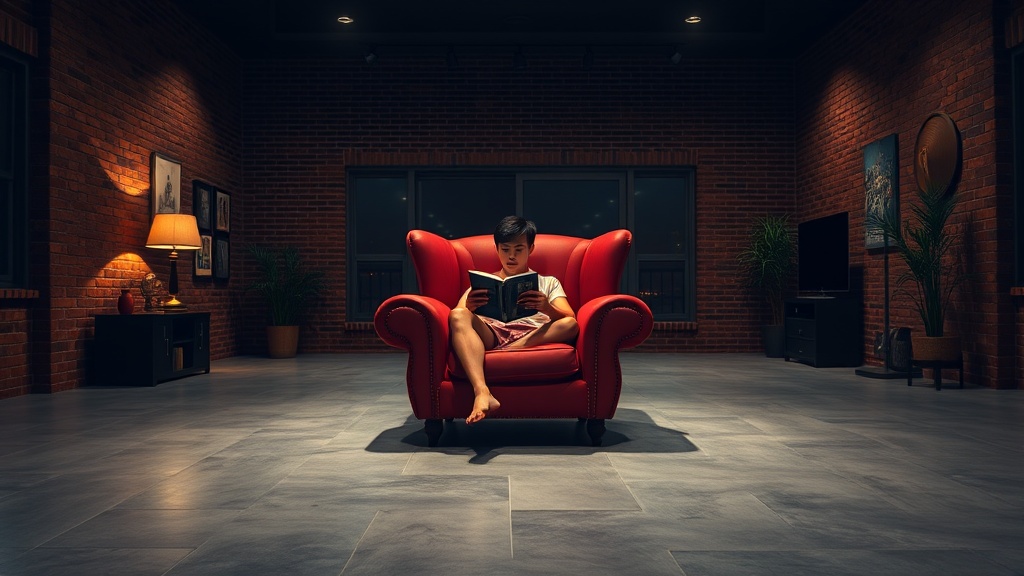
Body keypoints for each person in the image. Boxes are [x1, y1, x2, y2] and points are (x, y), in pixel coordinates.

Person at [448, 216, 579, 425]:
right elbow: (457, 316)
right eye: (505, 249)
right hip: (492, 333)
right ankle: (482, 392)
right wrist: (469, 307)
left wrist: (546, 307)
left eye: (518, 249)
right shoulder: (482, 283)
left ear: (531, 248)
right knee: (457, 314)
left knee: (570, 324)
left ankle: (513, 348)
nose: (511, 256)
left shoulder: (548, 282)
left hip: (532, 334)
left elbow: (569, 317)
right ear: (497, 248)